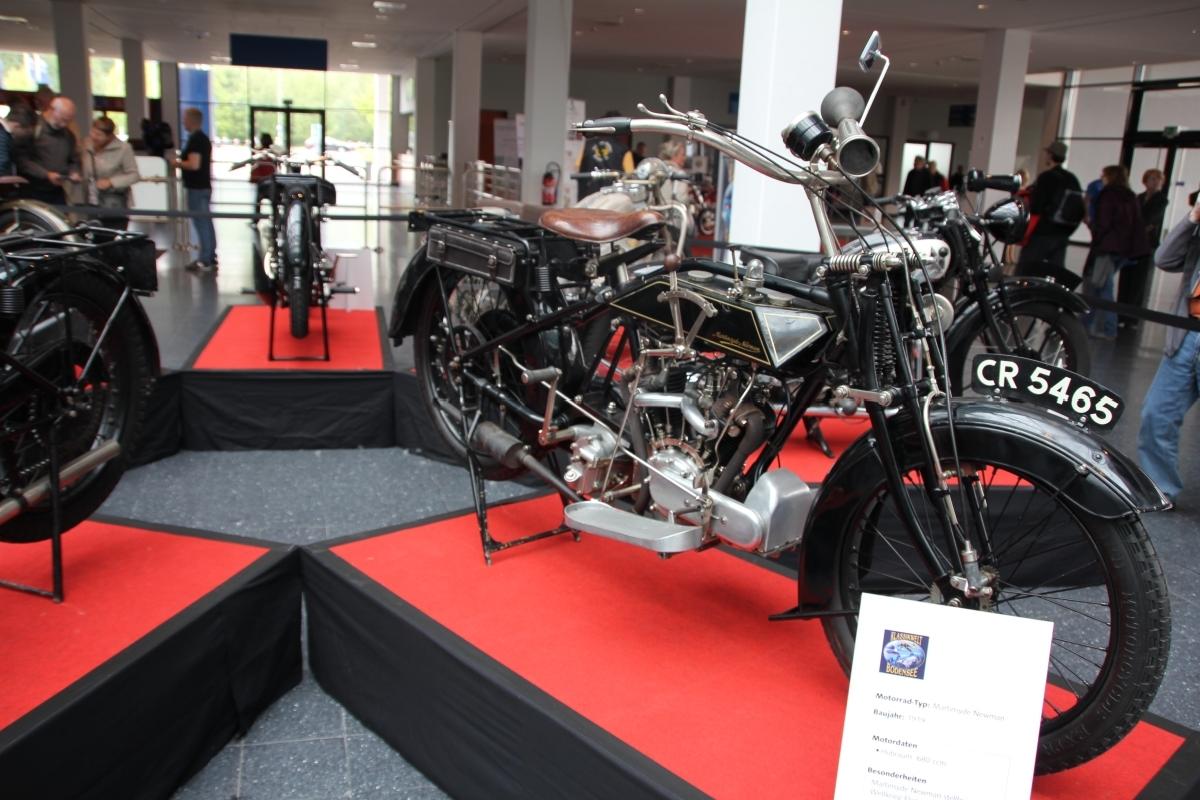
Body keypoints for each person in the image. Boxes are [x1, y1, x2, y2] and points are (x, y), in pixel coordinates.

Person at [1137, 195, 1200, 504]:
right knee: (1157, 414)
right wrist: (1193, 218)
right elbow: (1164, 259)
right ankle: (1161, 489)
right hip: (1187, 335)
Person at [1082, 165, 1147, 339]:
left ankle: (1107, 328)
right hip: (1123, 248)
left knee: (1103, 288)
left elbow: (1103, 222)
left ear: (1110, 176)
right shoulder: (1130, 195)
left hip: (1107, 246)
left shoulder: (1108, 195)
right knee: (1100, 286)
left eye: (1104, 175)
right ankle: (1087, 323)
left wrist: (1094, 229)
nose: (1101, 178)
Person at [1015, 141, 1084, 289]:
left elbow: (1036, 206)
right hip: (1062, 234)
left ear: (1051, 155)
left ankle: (1022, 298)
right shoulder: (1072, 179)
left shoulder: (1047, 177)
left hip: (1042, 232)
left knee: (1026, 271)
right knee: (1056, 275)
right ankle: (1052, 301)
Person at [1118, 168, 1169, 329]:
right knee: (1126, 278)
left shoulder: (1161, 200)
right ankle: (1120, 314)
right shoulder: (1138, 198)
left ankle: (1131, 318)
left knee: (1138, 282)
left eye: (1158, 179)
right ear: (1145, 181)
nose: (1155, 182)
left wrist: (1138, 228)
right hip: (1131, 242)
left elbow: (1152, 219)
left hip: (1147, 244)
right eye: (1152, 179)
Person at [15, 95, 81, 206]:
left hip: (56, 191)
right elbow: (22, 160)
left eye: (68, 121)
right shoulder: (32, 129)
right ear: (52, 110)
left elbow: (73, 159)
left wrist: (74, 172)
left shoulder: (68, 135)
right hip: (32, 190)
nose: (64, 124)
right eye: (63, 119)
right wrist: (46, 174)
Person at [173, 107, 217, 272]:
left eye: (184, 118)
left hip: (197, 188)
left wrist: (176, 163)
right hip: (201, 186)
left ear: (191, 120)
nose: (183, 122)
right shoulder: (200, 139)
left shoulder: (197, 140)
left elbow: (194, 164)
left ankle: (205, 259)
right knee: (205, 222)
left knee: (201, 222)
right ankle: (209, 255)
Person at [83, 116, 139, 229]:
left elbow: (134, 175)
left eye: (99, 135)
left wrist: (111, 182)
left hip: (113, 203)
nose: (94, 137)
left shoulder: (124, 148)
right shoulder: (86, 145)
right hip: (91, 202)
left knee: (112, 234)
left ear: (109, 136)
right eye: (92, 132)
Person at [575, 111, 635, 198]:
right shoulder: (624, 150)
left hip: (588, 197)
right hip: (612, 199)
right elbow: (630, 175)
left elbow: (577, 167)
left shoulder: (587, 145)